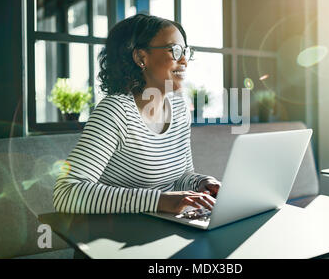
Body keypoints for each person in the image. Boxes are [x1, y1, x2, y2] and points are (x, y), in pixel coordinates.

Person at [53, 14, 221, 215]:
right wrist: (160, 201)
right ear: (141, 58)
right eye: (175, 51)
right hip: (114, 234)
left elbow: (180, 176)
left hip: (164, 227)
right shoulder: (114, 112)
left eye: (186, 51)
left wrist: (201, 183)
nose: (184, 60)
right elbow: (66, 192)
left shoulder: (179, 107)